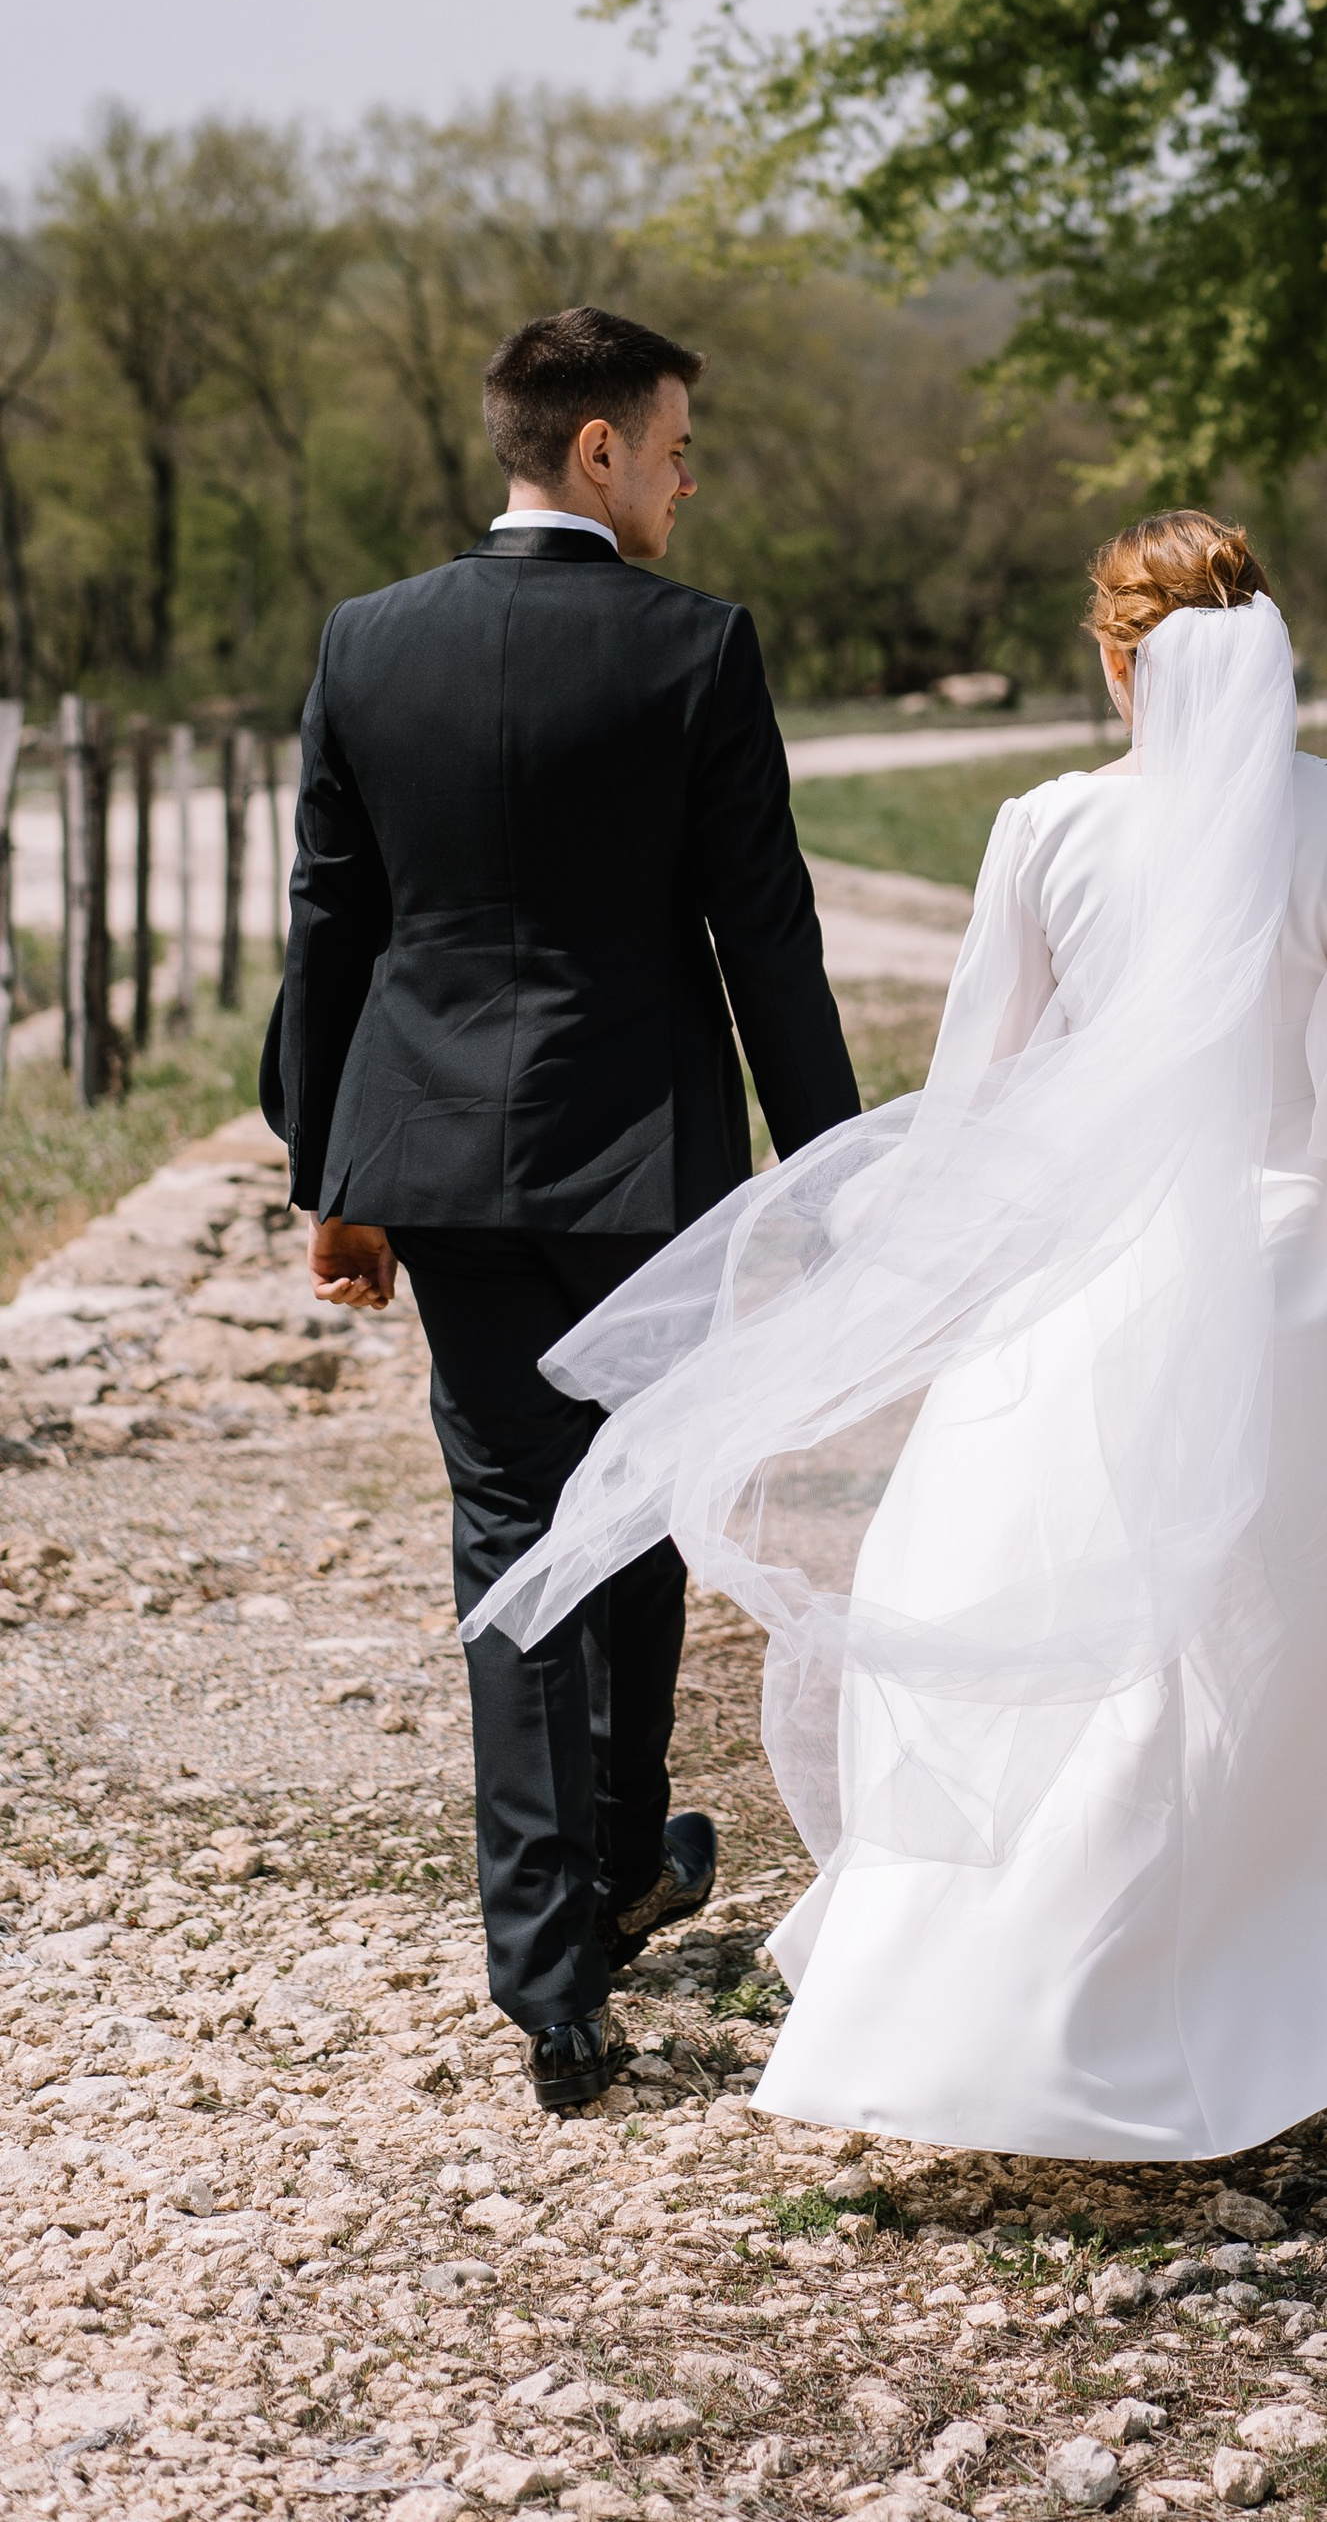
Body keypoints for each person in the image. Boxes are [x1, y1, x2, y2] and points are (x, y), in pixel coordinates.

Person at [473, 512, 1327, 2162]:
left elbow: (983, 1091)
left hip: (1089, 1276)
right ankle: (1245, 1990)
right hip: (1320, 1270)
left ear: (1115, 663)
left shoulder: (1046, 830)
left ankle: (979, 1993)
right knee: (1264, 1637)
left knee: (1054, 1615)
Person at [261, 304, 861, 2114]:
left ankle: (549, 1972)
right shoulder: (694, 650)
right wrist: (829, 1175)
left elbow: (330, 922)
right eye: (676, 444)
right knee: (644, 1498)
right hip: (642, 1163)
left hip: (433, 1161)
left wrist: (328, 1173)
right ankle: (606, 1866)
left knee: (512, 1527)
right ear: (596, 448)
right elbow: (765, 930)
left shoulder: (370, 642)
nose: (690, 475)